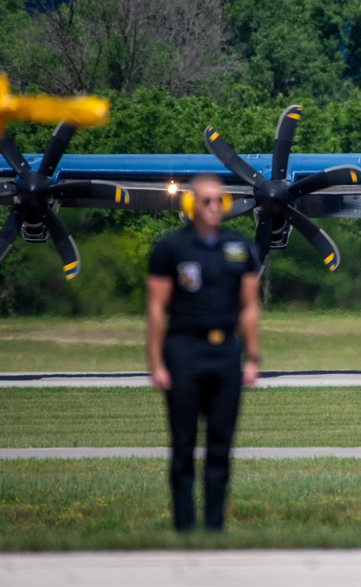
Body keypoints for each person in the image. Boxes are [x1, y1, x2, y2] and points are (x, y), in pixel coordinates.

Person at [146, 174, 261, 532]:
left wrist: (253, 358)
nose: (214, 207)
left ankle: (214, 526)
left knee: (220, 445)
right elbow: (155, 309)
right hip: (183, 348)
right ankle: (184, 525)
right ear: (191, 205)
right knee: (183, 445)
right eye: (206, 201)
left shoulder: (239, 248)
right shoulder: (171, 249)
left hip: (225, 350)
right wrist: (156, 363)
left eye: (219, 201)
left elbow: (249, 307)